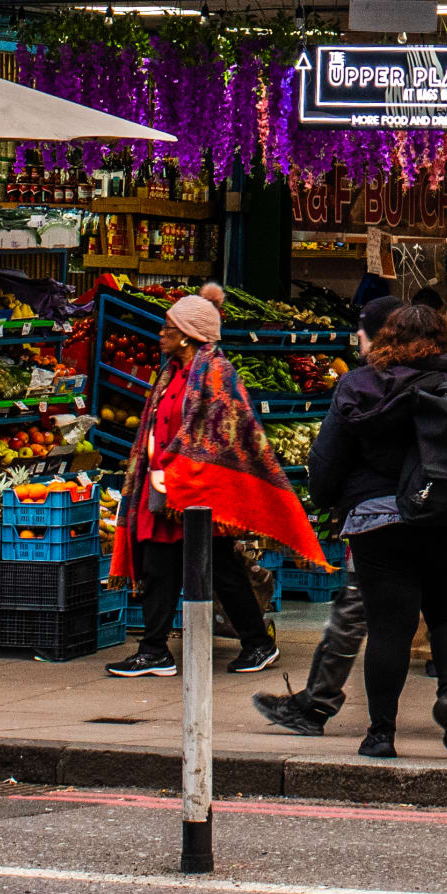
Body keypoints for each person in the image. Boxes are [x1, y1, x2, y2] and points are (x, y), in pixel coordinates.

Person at [260, 298, 447, 741]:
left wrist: (323, 498)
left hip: (379, 520)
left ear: (388, 337)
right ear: (440, 337)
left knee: (389, 631)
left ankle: (380, 734)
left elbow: (329, 454)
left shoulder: (360, 384)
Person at [106, 287, 318, 678]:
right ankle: (156, 650)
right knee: (160, 567)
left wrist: (182, 468)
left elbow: (222, 436)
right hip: (165, 489)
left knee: (221, 570)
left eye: (168, 327)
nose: (161, 333)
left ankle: (256, 643)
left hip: (199, 495)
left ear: (188, 333)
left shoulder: (217, 373)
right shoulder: (170, 371)